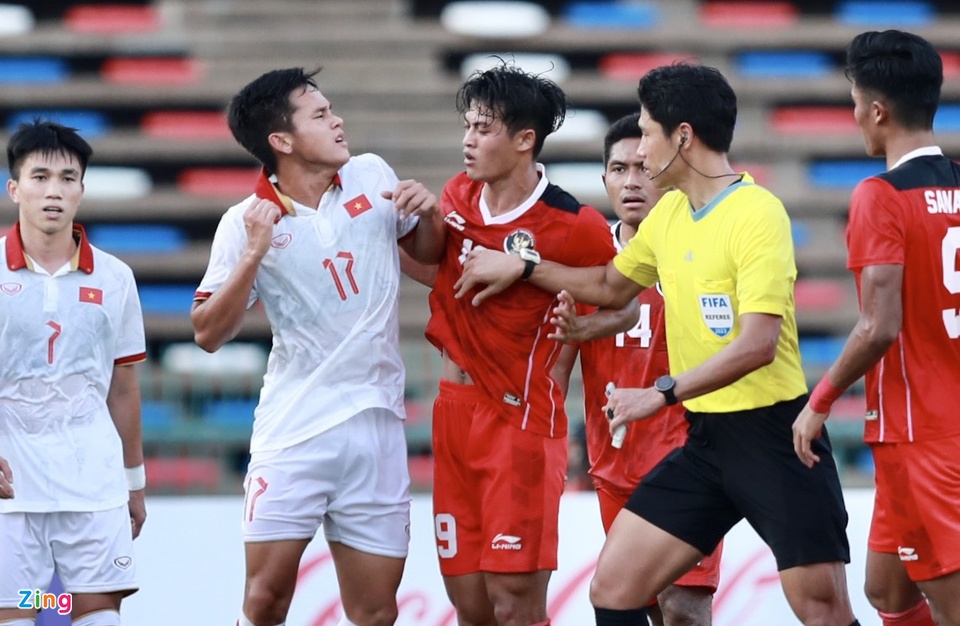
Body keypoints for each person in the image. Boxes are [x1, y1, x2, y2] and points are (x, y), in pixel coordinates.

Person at [456, 63, 861, 626]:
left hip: (774, 437)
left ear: (683, 136)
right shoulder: (669, 213)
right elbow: (609, 285)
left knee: (822, 610)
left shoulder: (757, 212)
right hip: (705, 443)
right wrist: (525, 267)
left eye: (647, 134)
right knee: (614, 587)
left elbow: (758, 346)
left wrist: (661, 393)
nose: (642, 153)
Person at [191, 67, 444, 626]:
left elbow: (428, 257)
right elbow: (207, 333)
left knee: (375, 612)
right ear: (281, 141)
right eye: (321, 115)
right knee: (264, 600)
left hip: (377, 426)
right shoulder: (243, 223)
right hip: (296, 430)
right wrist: (254, 253)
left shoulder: (371, 174)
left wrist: (429, 214)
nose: (338, 121)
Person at [424, 63, 617, 626]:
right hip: (452, 412)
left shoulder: (574, 223)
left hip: (520, 421)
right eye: (467, 126)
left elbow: (621, 299)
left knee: (515, 605)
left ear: (524, 139)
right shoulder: (456, 196)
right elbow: (437, 269)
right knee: (470, 605)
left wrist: (534, 276)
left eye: (483, 128)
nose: (468, 140)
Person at [793, 29, 960, 626]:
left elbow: (878, 325)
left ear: (879, 110)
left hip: (921, 434)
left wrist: (819, 401)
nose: (856, 114)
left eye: (856, 103)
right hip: (937, 424)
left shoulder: (879, 196)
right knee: (888, 592)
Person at [550, 113, 720, 626]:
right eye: (618, 169)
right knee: (633, 603)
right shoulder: (588, 261)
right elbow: (557, 365)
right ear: (603, 178)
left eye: (643, 168)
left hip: (688, 456)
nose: (631, 182)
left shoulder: (699, 250)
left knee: (683, 607)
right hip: (613, 465)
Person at [0, 120, 147, 626]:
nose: (54, 191)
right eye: (40, 177)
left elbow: (123, 388)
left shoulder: (115, 277)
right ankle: (49, 604)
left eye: (67, 179)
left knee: (96, 611)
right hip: (11, 489)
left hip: (95, 485)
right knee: (17, 612)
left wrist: (134, 482)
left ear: (81, 190)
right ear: (14, 188)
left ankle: (58, 604)